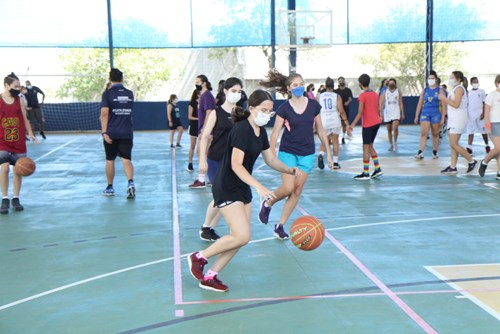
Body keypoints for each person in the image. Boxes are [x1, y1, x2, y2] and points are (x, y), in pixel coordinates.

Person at [188, 89, 299, 292]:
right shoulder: (241, 129)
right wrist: (259, 187)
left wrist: (289, 170)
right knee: (241, 235)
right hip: (228, 186)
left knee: (240, 237)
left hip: (241, 187)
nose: (267, 114)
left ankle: (211, 276)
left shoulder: (260, 132)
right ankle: (199, 258)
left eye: (270, 111)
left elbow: (271, 159)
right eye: (263, 110)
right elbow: (236, 165)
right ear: (251, 108)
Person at [258, 70, 333, 240]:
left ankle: (280, 225)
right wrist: (270, 154)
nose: (299, 87)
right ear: (288, 88)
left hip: (307, 153)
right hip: (288, 152)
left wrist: (328, 153)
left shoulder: (314, 105)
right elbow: (275, 134)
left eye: (301, 84)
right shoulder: (284, 109)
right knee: (288, 188)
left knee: (297, 190)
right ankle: (268, 202)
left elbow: (320, 130)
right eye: (295, 85)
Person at [198, 77, 243, 242]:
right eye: (233, 91)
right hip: (216, 160)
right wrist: (202, 160)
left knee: (225, 195)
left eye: (239, 92)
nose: (236, 94)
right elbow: (204, 137)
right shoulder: (216, 113)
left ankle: (210, 228)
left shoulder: (241, 113)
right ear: (225, 91)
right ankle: (205, 227)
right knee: (221, 194)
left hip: (233, 162)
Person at [0, 73, 38, 214]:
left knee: (18, 170)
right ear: (6, 86)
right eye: (15, 86)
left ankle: (16, 198)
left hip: (18, 141)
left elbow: (25, 118)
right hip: (2, 140)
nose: (17, 89)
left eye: (18, 86)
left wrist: (31, 133)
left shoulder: (19, 100)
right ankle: (4, 198)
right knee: (4, 169)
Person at [100, 68, 136, 198]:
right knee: (126, 159)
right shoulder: (130, 94)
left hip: (112, 132)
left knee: (110, 160)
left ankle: (110, 187)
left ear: (110, 79)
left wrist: (104, 132)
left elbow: (104, 114)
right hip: (126, 131)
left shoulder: (107, 94)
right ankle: (130, 184)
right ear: (122, 79)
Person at [439, 71, 477, 174]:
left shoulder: (459, 89)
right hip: (453, 119)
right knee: (453, 144)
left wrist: (443, 98)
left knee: (454, 144)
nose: (450, 79)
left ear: (459, 79)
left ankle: (471, 161)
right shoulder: (454, 89)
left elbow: (456, 104)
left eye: (452, 77)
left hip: (458, 119)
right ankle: (453, 166)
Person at [348, 74, 383, 180]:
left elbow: (360, 113)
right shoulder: (375, 94)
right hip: (376, 123)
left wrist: (351, 126)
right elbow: (377, 108)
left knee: (366, 149)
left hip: (368, 124)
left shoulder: (362, 96)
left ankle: (366, 172)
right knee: (370, 146)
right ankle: (377, 169)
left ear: (360, 83)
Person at [189, 74, 215, 189]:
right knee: (203, 153)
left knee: (202, 153)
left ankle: (203, 179)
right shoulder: (204, 96)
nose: (196, 84)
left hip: (206, 131)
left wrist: (204, 130)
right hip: (204, 130)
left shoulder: (207, 96)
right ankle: (209, 178)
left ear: (204, 83)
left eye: (198, 82)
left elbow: (209, 113)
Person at [317, 77, 349, 170]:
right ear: (333, 86)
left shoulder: (319, 96)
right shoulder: (337, 96)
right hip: (335, 120)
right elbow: (341, 111)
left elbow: (316, 109)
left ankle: (321, 154)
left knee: (324, 140)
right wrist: (346, 122)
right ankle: (335, 162)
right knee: (335, 140)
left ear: (325, 86)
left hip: (324, 120)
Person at [414, 70, 446, 159]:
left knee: (435, 134)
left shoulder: (440, 91)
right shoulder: (425, 90)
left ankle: (435, 151)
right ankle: (420, 152)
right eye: (429, 78)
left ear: (436, 80)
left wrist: (443, 118)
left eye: (432, 78)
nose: (430, 80)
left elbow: (444, 105)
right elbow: (420, 103)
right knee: (424, 133)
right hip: (425, 113)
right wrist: (417, 115)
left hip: (435, 113)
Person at [478, 75, 500, 180]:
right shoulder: (491, 95)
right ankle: (484, 162)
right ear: (496, 83)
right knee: (498, 147)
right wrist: (487, 126)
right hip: (493, 124)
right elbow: (486, 112)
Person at [466, 77, 490, 155]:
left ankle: (487, 145)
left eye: (477, 81)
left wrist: (483, 113)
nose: (476, 83)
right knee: (470, 131)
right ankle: (469, 147)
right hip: (471, 115)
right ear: (471, 83)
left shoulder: (482, 91)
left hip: (480, 114)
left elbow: (484, 103)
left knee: (483, 131)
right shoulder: (468, 92)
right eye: (474, 82)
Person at [380, 78, 405, 151]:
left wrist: (402, 113)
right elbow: (381, 103)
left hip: (396, 111)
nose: (391, 84)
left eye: (392, 83)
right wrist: (381, 112)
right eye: (390, 83)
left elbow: (400, 102)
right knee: (389, 129)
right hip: (388, 112)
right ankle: (390, 144)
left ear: (395, 84)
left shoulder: (398, 91)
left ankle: (395, 142)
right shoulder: (385, 91)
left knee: (395, 128)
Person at [334, 76, 354, 144]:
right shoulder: (336, 91)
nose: (341, 82)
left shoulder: (348, 90)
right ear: (338, 82)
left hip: (345, 110)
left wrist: (347, 102)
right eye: (340, 81)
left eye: (342, 81)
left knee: (344, 124)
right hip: (337, 111)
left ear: (344, 81)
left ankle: (343, 137)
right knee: (336, 124)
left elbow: (351, 98)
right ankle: (334, 138)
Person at [187, 89, 200, 172]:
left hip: (202, 127)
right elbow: (190, 116)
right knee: (192, 145)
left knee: (202, 146)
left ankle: (202, 163)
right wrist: (199, 119)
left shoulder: (203, 103)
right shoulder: (192, 103)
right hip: (194, 126)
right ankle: (190, 163)